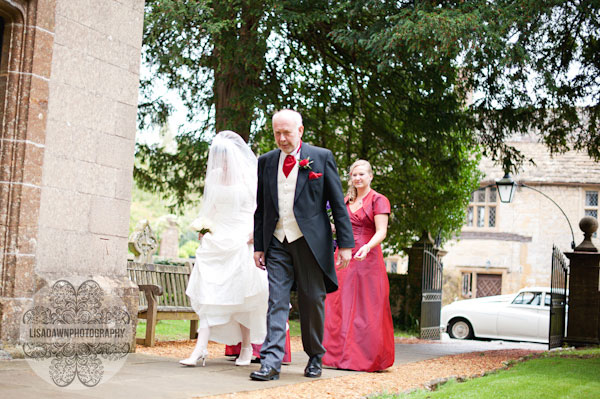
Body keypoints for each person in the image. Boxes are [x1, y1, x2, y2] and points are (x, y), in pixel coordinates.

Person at [250, 109, 355, 381]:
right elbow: (261, 208)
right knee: (276, 301)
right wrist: (259, 246)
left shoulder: (321, 157)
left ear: (301, 130)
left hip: (310, 243)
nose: (282, 139)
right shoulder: (266, 161)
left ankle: (315, 355)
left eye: (287, 132)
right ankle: (270, 362)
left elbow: (338, 205)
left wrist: (345, 243)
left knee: (312, 301)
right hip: (277, 242)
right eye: (277, 133)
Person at [180, 131, 268, 367]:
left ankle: (247, 348)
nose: (220, 159)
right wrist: (204, 226)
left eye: (224, 155)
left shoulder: (250, 176)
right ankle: (200, 349)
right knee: (209, 294)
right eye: (217, 155)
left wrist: (255, 233)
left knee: (242, 296)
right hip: (217, 240)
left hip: (242, 239)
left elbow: (258, 208)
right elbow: (211, 208)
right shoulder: (214, 177)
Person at [322, 159, 395, 371]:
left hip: (367, 257)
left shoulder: (379, 200)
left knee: (366, 307)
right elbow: (340, 228)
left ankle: (363, 358)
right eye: (354, 175)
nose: (357, 178)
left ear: (370, 176)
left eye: (362, 174)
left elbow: (381, 231)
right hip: (343, 256)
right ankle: (336, 356)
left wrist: (368, 247)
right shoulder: (346, 201)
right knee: (338, 304)